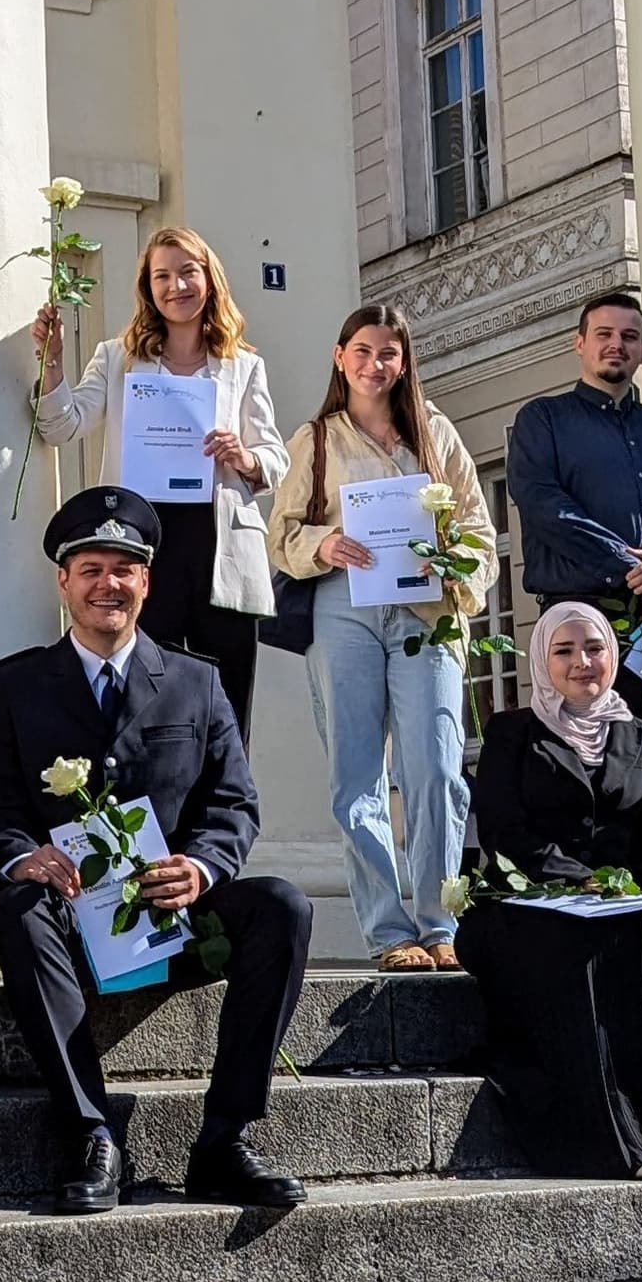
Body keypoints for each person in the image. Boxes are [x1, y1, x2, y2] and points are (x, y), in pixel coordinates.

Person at [0, 486, 315, 1216]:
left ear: (146, 582)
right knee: (18, 910)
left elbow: (233, 803)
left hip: (174, 917)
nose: (108, 585)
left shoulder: (197, 681)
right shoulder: (18, 686)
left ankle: (226, 1139)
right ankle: (91, 1133)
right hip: (70, 921)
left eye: (123, 569)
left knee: (282, 906)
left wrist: (201, 868)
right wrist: (22, 856)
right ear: (64, 583)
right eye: (90, 570)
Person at [454, 603, 642, 1179]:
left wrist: (626, 891)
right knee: (568, 934)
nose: (582, 662)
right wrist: (576, 880)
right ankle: (610, 1141)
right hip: (527, 903)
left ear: (613, 656)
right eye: (564, 651)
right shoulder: (511, 733)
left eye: (594, 649)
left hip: (616, 903)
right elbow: (504, 833)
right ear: (542, 660)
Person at [267, 303, 493, 972]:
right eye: (362, 351)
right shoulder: (315, 439)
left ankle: (441, 923)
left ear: (404, 361)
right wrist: (324, 543)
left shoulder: (436, 433)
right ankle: (390, 932)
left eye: (388, 352)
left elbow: (479, 530)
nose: (374, 364)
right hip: (345, 608)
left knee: (437, 771)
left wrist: (451, 562)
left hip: (429, 612)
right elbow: (280, 535)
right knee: (357, 774)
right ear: (341, 358)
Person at [30, 227, 285, 735]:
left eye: (188, 272)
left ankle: (226, 789)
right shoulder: (117, 358)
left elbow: (275, 459)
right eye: (162, 276)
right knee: (147, 703)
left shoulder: (243, 366)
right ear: (148, 287)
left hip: (220, 552)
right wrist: (51, 361)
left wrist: (244, 456)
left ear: (209, 279)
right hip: (145, 547)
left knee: (228, 710)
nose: (176, 286)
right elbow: (62, 425)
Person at [501, 291, 642, 675]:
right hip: (579, 613)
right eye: (604, 334)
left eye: (629, 336)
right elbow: (543, 506)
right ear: (579, 344)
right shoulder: (543, 419)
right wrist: (636, 570)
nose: (616, 344)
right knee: (583, 717)